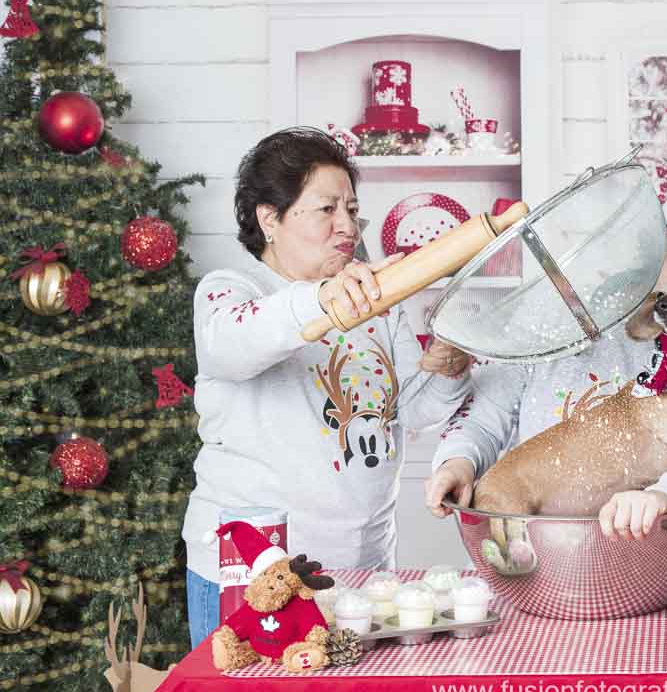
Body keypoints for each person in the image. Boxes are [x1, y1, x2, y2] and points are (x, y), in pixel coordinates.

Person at [182, 127, 471, 647]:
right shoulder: (231, 292)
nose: (348, 226)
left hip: (363, 570)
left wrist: (448, 371)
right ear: (269, 218)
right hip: (254, 574)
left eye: (352, 209)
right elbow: (235, 346)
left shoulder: (374, 301)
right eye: (326, 209)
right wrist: (323, 296)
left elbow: (410, 411)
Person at [424, 197, 667, 538]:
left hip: (651, 550)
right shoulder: (555, 315)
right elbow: (485, 416)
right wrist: (458, 463)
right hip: (535, 538)